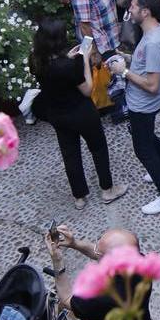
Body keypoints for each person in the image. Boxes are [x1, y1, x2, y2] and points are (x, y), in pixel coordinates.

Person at [29, 18, 129, 210]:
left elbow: (54, 71)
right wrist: (83, 59)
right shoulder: (69, 65)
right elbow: (87, 89)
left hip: (58, 113)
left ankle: (79, 196)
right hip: (81, 112)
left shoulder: (36, 59)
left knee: (70, 153)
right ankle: (107, 189)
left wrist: (68, 57)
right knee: (98, 148)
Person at [109, 0, 160, 215]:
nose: (129, 9)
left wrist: (124, 71)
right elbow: (149, 65)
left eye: (133, 6)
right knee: (147, 135)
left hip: (143, 103)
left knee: (142, 148)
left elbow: (152, 84)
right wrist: (130, 60)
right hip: (143, 103)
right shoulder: (155, 33)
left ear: (146, 11)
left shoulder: (154, 42)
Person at [47, 225, 154, 320]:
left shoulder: (99, 296)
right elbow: (101, 254)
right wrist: (75, 243)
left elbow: (66, 298)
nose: (96, 252)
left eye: (99, 253)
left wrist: (57, 260)